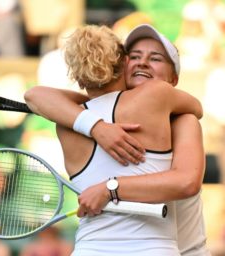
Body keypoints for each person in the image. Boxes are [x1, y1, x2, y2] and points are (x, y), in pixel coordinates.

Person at [25, 24, 210, 255]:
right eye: (134, 56)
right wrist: (97, 126)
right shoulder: (80, 115)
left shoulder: (67, 119)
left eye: (155, 58)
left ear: (173, 78)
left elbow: (185, 182)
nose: (142, 62)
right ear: (123, 65)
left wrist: (109, 188)